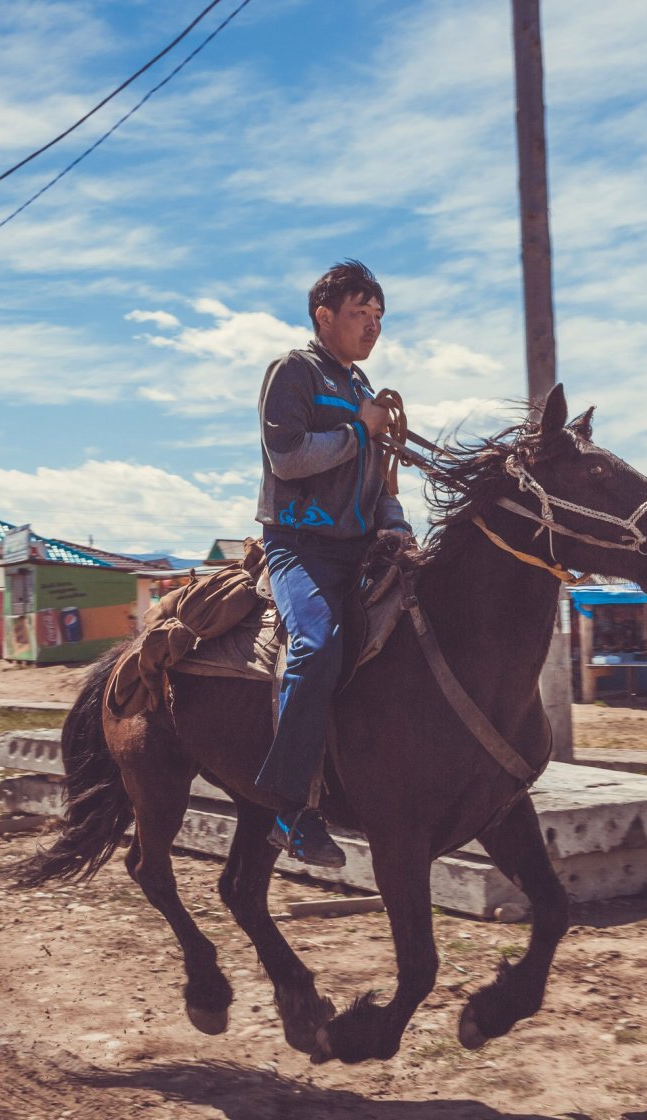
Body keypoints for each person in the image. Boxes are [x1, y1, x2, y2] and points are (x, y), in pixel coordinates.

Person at [253, 260, 410, 868]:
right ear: (324, 317)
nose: (372, 328)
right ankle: (289, 808)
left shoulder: (365, 392)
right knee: (317, 646)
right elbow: (287, 458)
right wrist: (358, 434)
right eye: (359, 314)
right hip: (299, 547)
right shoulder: (293, 372)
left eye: (378, 317)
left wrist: (396, 528)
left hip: (360, 548)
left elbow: (383, 482)